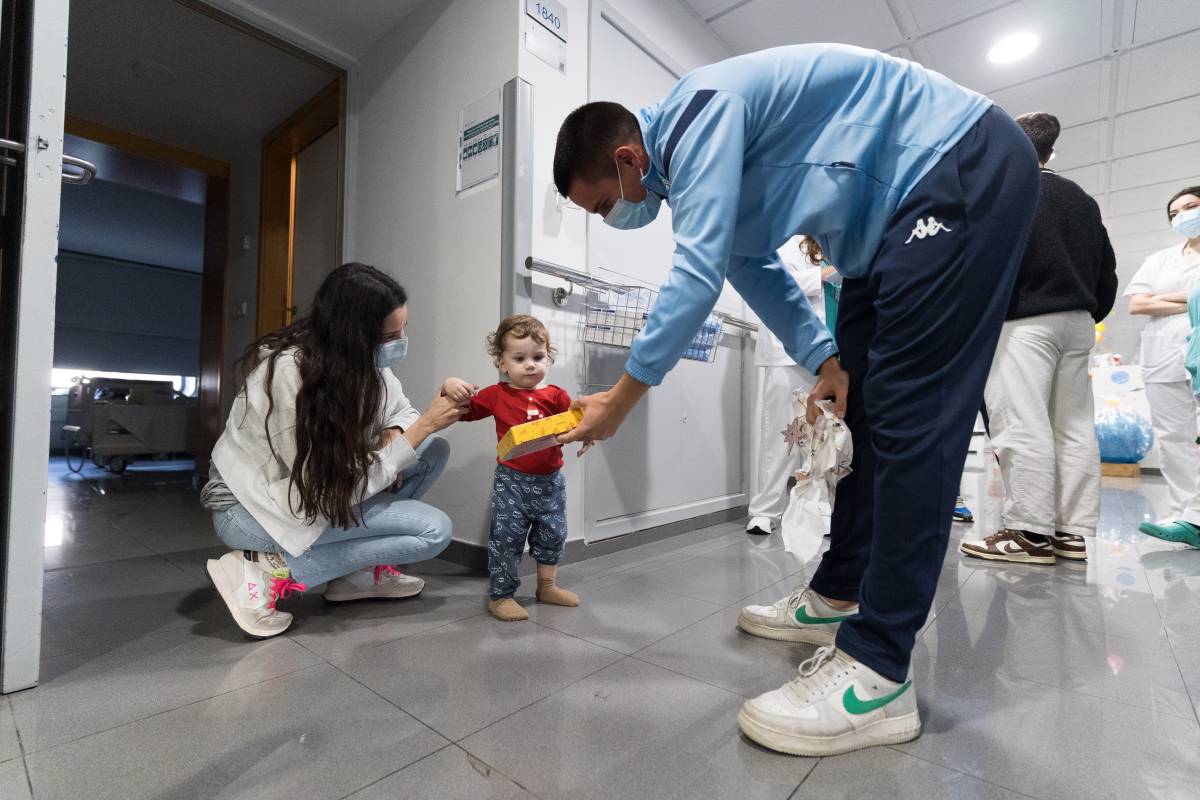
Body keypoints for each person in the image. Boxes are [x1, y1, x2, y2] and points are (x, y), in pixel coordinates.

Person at [553, 43, 1039, 756]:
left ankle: (880, 672)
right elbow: (753, 272)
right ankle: (839, 593)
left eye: (603, 205)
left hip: (955, 162)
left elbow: (696, 276)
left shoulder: (698, 113)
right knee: (862, 412)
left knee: (911, 414)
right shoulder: (690, 173)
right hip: (882, 231)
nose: (610, 218)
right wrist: (826, 359)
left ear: (628, 159)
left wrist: (623, 398)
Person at [200, 263, 466, 638]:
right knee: (433, 531)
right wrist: (421, 428)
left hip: (319, 492)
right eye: (390, 335)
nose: (400, 342)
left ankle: (353, 578)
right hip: (251, 510)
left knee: (432, 451)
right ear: (352, 334)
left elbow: (401, 409)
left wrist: (394, 432)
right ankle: (263, 574)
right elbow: (327, 493)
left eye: (403, 330)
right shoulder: (291, 376)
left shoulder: (362, 362)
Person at [960, 112, 1117, 565]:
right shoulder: (1082, 199)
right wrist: (1086, 310)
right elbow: (1107, 271)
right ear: (1051, 152)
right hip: (1078, 321)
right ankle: (1070, 533)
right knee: (1073, 427)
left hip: (1023, 322)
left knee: (1022, 422)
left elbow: (983, 262)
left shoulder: (1005, 191)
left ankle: (1028, 532)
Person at [458, 315, 581, 621]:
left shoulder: (557, 396)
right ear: (502, 363)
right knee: (506, 537)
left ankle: (547, 587)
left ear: (548, 358)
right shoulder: (496, 395)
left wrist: (587, 433)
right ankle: (501, 596)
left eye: (538, 357)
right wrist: (452, 388)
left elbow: (577, 423)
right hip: (511, 481)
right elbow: (464, 411)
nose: (530, 365)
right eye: (519, 358)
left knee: (553, 533)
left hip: (550, 482)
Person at [1125, 186, 1200, 520]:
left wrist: (1163, 297)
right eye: (1174, 213)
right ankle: (1187, 514)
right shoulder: (1159, 260)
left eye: (1191, 207)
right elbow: (1138, 304)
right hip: (1164, 356)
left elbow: (1151, 301)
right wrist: (1192, 297)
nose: (1182, 216)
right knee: (1172, 437)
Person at [746, 238, 822, 536]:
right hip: (786, 353)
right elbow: (775, 284)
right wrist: (825, 275)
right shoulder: (785, 240)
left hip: (830, 356)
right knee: (783, 437)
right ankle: (765, 511)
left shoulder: (837, 243)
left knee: (823, 439)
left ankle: (822, 511)